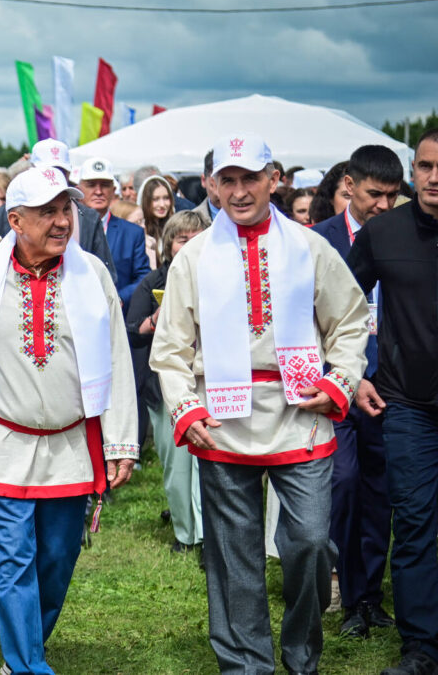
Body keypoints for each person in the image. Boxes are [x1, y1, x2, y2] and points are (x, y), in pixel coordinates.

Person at [150, 133, 369, 675]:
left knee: (312, 544)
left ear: (274, 179)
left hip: (301, 415)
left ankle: (300, 653)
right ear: (211, 185)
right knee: (233, 558)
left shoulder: (310, 246)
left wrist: (339, 380)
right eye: (229, 179)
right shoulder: (194, 256)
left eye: (251, 178)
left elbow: (350, 320)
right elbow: (172, 346)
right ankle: (247, 664)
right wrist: (186, 408)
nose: (241, 190)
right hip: (222, 421)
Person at [0, 165, 138, 674]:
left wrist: (122, 442)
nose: (63, 221)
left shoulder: (92, 275)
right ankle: (26, 666)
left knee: (57, 560)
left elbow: (117, 358)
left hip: (69, 446)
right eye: (48, 212)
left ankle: (28, 646)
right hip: (0, 440)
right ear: (16, 221)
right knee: (15, 559)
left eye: (66, 209)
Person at [347, 129, 438, 675]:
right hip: (407, 406)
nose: (435, 177)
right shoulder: (382, 234)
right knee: (415, 523)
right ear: (413, 171)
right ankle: (422, 649)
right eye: (426, 165)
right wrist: (354, 373)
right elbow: (337, 309)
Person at [310, 144, 402, 641]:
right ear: (349, 183)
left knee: (379, 492)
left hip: (390, 387)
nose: (383, 206)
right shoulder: (318, 241)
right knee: (343, 485)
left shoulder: (399, 237)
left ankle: (370, 595)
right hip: (336, 388)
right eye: (374, 195)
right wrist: (342, 375)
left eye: (392, 196)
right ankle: (346, 588)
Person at [127, 211, 209, 552]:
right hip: (163, 389)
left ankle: (207, 536)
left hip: (208, 384)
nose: (189, 245)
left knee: (207, 463)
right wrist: (155, 320)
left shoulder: (218, 278)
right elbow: (133, 332)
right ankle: (185, 533)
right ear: (168, 246)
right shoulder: (154, 282)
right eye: (182, 239)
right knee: (177, 465)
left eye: (196, 238)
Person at [0, 140, 118, 285]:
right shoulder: (5, 214)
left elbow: (107, 277)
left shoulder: (88, 217)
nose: (63, 222)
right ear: (16, 222)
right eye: (47, 170)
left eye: (60, 171)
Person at [77, 156, 149, 310]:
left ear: (113, 190)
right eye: (91, 185)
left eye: (104, 185)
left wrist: (118, 297)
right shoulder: (67, 230)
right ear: (79, 189)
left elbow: (143, 277)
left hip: (119, 316)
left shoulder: (132, 233)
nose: (98, 191)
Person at [138, 175, 176, 266]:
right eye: (155, 199)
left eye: (166, 198)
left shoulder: (176, 228)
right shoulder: (139, 231)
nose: (162, 204)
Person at [193, 151, 220, 225]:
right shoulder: (189, 223)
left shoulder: (251, 217)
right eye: (215, 184)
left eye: (229, 182)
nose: (220, 193)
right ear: (203, 180)